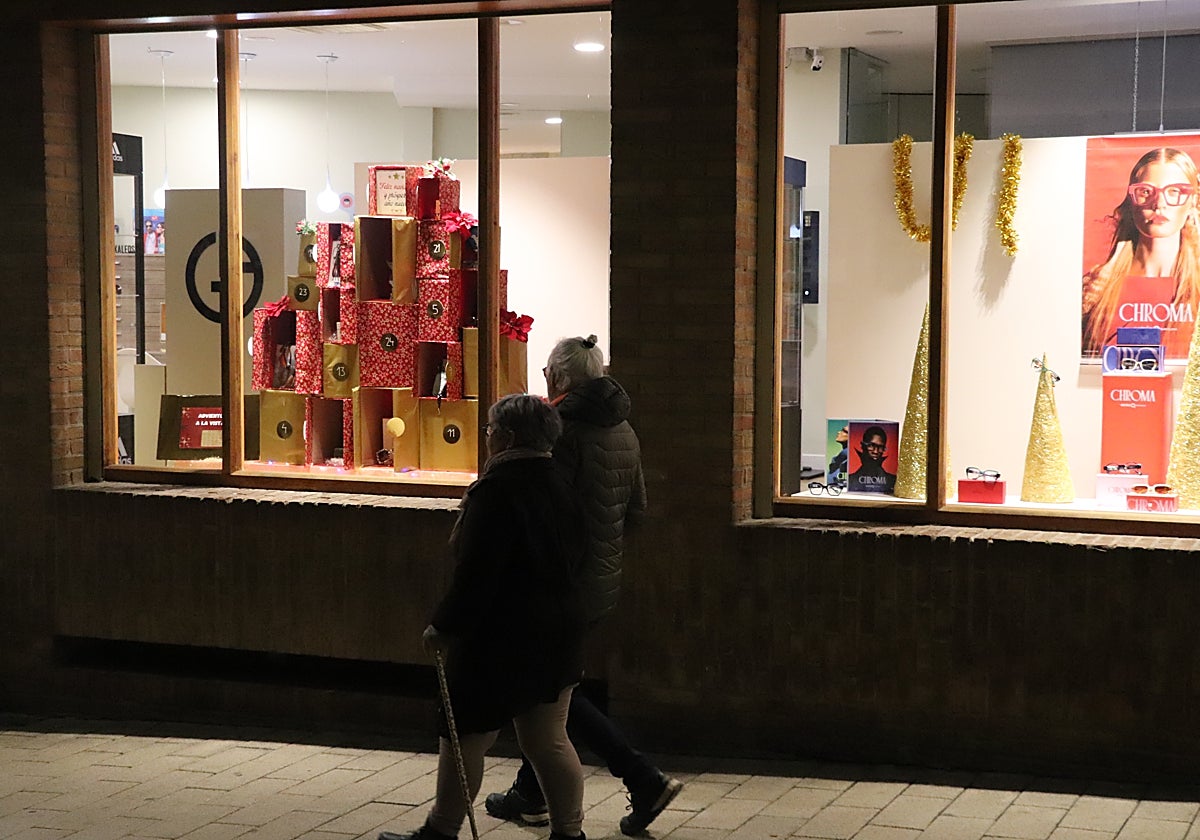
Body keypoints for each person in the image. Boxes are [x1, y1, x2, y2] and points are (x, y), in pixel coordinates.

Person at [485, 335, 683, 837]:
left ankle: (642, 777)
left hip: (561, 583)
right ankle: (531, 794)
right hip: (601, 578)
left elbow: (545, 508)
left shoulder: (563, 430)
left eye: (547, 373)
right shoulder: (623, 428)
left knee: (552, 690)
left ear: (560, 377)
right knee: (551, 685)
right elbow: (637, 510)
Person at [378, 394, 589, 840]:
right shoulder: (562, 481)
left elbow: (477, 572)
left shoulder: (497, 490)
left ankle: (441, 830)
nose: (487, 437)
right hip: (558, 629)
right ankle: (570, 833)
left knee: (466, 735)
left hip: (501, 636)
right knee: (548, 739)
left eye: (491, 430)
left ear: (507, 437)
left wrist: (444, 625)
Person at [1082, 147, 1200, 359]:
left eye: (1174, 191)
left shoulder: (1196, 289)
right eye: (1146, 191)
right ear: (1131, 200)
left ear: (1193, 201)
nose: (1159, 204)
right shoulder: (1096, 290)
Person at [847, 424, 896, 493]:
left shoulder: (892, 481)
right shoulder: (849, 481)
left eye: (880, 447)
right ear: (862, 446)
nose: (876, 451)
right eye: (871, 445)